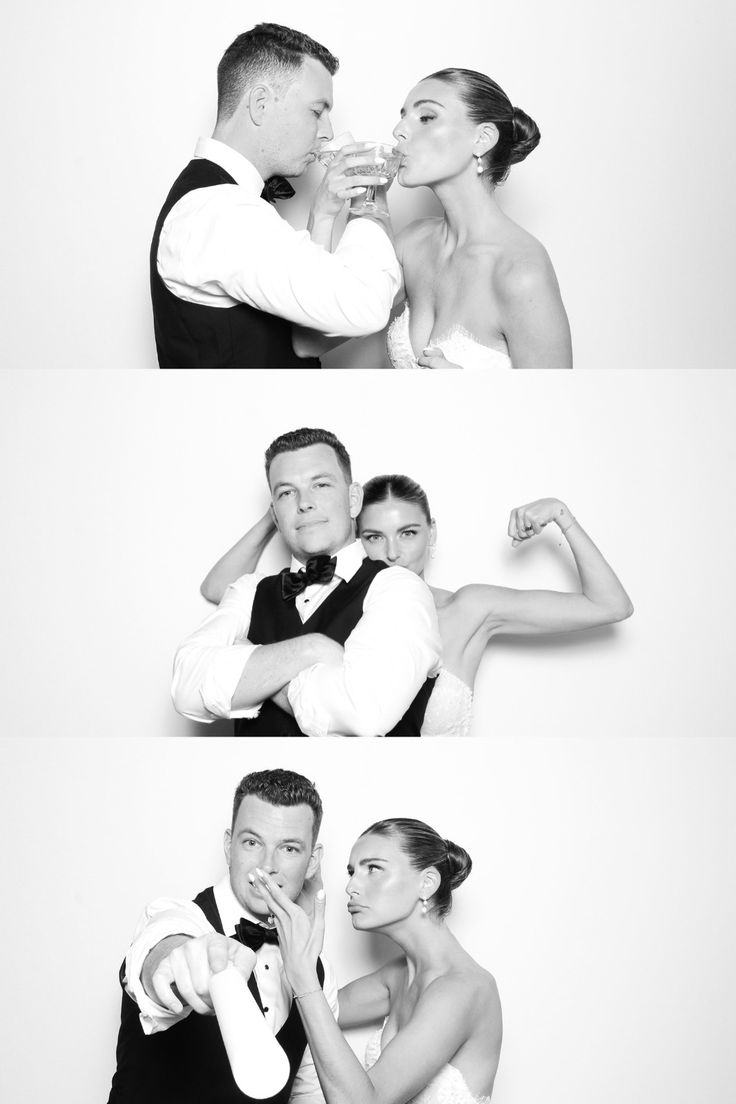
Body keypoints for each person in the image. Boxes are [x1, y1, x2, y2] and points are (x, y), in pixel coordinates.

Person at [199, 476, 633, 736]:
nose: (392, 552)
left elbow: (609, 605)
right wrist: (281, 513)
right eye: (373, 537)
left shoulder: (468, 609)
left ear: (432, 534)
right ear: (354, 540)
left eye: (407, 533)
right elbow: (222, 586)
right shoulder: (329, 604)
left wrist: (561, 514)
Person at [151, 23, 400, 368]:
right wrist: (369, 191)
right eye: (316, 111)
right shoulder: (219, 211)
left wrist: (323, 217)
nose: (327, 132)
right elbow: (365, 306)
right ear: (261, 104)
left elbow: (306, 331)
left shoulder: (221, 202)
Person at [172, 430, 441, 736]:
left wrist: (254, 666)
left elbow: (364, 712)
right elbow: (186, 687)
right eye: (287, 492)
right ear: (275, 514)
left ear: (354, 500)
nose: (304, 504)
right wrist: (310, 650)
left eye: (321, 485)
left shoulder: (399, 587)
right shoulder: (249, 591)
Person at [107, 768, 336, 1104]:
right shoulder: (177, 917)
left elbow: (308, 1095)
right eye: (252, 842)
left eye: (288, 849)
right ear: (229, 846)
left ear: (313, 861)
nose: (267, 865)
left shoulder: (319, 975)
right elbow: (162, 948)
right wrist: (183, 960)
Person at [252, 817, 502, 1104]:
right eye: (351, 871)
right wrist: (303, 932)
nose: (350, 887)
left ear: (427, 883)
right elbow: (302, 1014)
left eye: (373, 868)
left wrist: (304, 975)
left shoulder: (464, 989)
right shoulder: (396, 977)